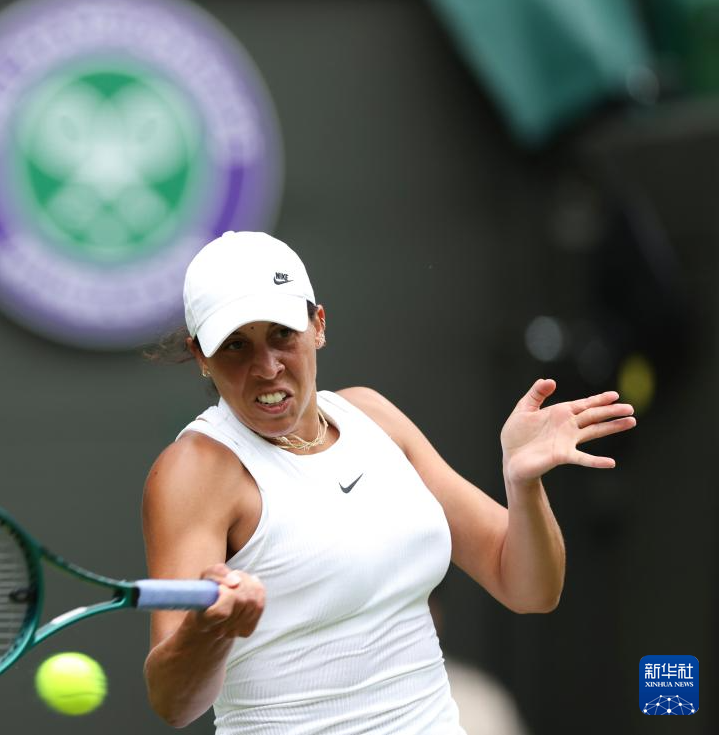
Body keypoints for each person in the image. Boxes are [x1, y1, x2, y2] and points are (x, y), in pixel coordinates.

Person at [141, 231, 636, 734]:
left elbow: (530, 589)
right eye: (236, 346)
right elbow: (173, 703)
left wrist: (522, 483)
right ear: (201, 356)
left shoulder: (372, 415)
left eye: (282, 334)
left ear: (318, 325)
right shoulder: (195, 470)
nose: (267, 367)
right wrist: (210, 631)